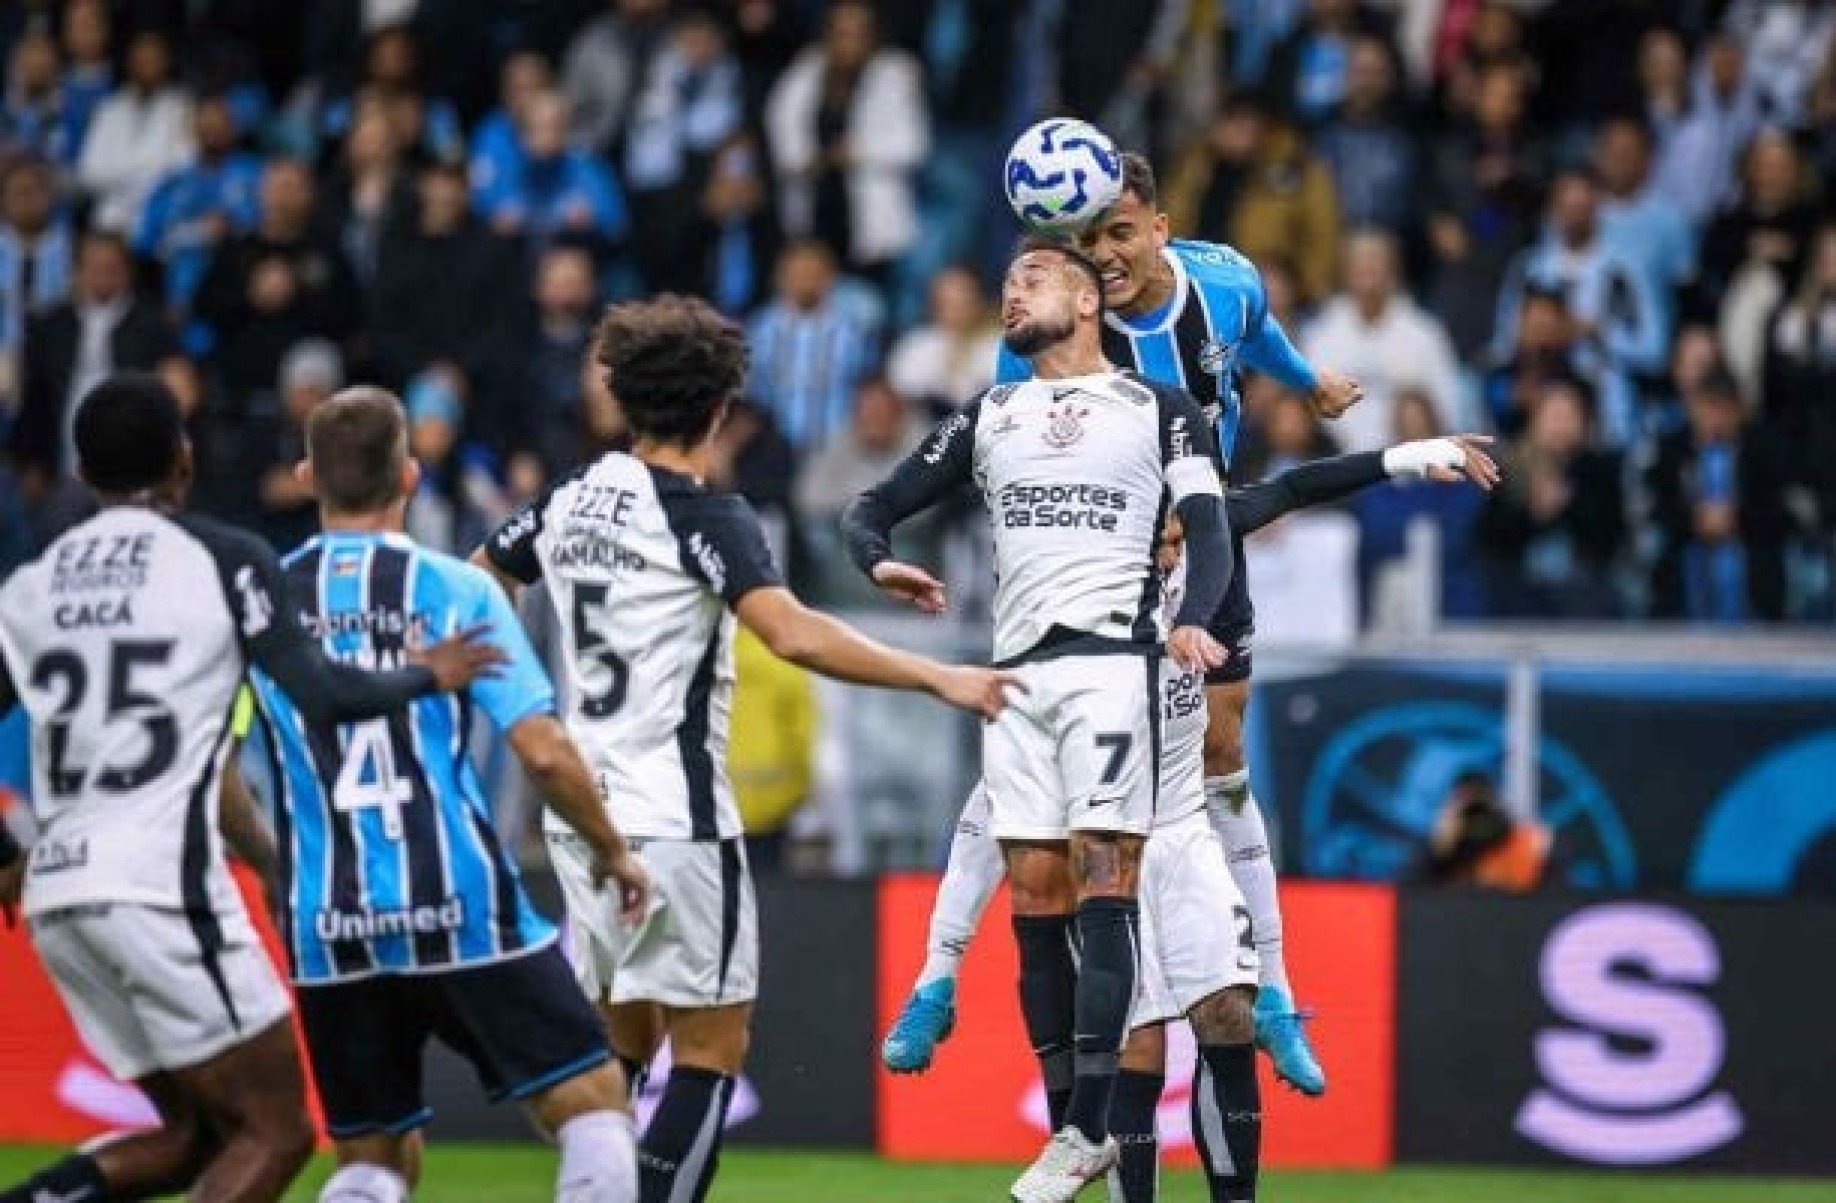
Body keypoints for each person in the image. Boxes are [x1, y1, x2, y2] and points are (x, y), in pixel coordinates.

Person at [869, 413, 1495, 1203]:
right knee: (1137, 1043)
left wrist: (1413, 454)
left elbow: (1299, 486)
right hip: (1111, 832)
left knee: (1227, 1015)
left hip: (1183, 824)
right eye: (1158, 540)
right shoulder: (1075, 590)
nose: (1170, 553)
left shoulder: (1210, 532)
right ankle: (939, 988)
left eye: (1177, 537)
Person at [472, 294, 1015, 1203]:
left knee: (624, 1041)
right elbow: (792, 633)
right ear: (724, 408)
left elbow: (483, 577)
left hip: (584, 814)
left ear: (620, 397)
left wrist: (523, 700)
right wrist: (939, 677)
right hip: (676, 815)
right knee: (711, 1047)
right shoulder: (704, 515)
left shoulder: (569, 499)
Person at [911, 154, 1359, 1100]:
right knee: (1023, 768)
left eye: (1120, 232)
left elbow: (1261, 335)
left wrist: (1309, 382)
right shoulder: (1056, 332)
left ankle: (1276, 991)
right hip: (1096, 568)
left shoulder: (1226, 281)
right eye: (1087, 240)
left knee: (1223, 758)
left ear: (1161, 228)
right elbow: (1008, 443)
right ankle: (937, 973)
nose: (1105, 255)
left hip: (1204, 540)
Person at [0, 372, 498, 1203]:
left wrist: (5, 854)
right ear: (184, 459)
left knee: (193, 1137)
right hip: (161, 887)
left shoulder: (28, 588)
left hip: (58, 895)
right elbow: (323, 694)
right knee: (278, 1129)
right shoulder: (225, 561)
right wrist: (427, 673)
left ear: (82, 474)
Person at [844, 240, 1241, 1202]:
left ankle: (1086, 1122)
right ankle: (1076, 1131)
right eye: (1007, 280)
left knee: (1105, 869)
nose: (1011, 292)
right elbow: (872, 504)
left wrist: (1194, 617)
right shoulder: (991, 412)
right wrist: (874, 558)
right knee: (1033, 893)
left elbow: (1212, 527)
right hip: (1015, 680)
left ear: (1087, 298)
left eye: (1033, 277)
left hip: (1112, 665)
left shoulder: (1160, 408)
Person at [242, 386, 652, 1203]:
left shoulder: (264, 603)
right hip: (461, 903)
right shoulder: (455, 588)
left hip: (330, 918)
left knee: (372, 1159)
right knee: (593, 1104)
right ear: (410, 475)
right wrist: (612, 849)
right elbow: (543, 752)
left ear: (306, 476)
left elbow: (219, 763)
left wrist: (273, 868)